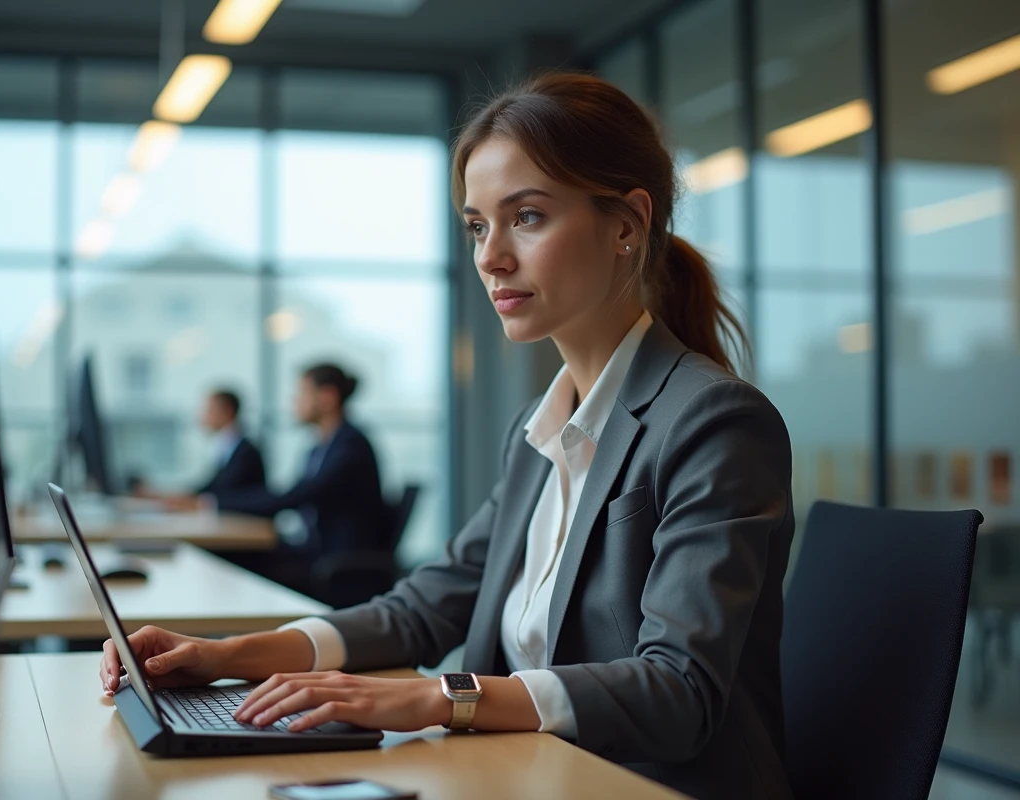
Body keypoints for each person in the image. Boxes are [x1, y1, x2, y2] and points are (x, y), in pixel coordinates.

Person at [100, 72, 795, 800]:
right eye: (477, 225)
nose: (491, 256)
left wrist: (441, 697)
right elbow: (423, 609)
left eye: (526, 217)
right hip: (528, 778)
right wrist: (228, 656)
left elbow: (677, 690)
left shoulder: (714, 422)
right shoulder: (538, 431)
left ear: (626, 225)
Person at [208, 363, 387, 559]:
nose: (295, 401)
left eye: (303, 393)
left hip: (333, 559)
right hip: (314, 549)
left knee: (238, 559)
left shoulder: (350, 446)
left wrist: (214, 503)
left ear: (328, 397)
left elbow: (297, 495)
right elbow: (292, 492)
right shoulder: (320, 447)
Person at [140, 389, 265, 511]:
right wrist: (168, 494)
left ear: (227, 411)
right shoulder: (227, 447)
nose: (202, 416)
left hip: (246, 524)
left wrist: (193, 501)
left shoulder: (245, 452)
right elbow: (211, 487)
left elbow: (225, 491)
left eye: (209, 410)